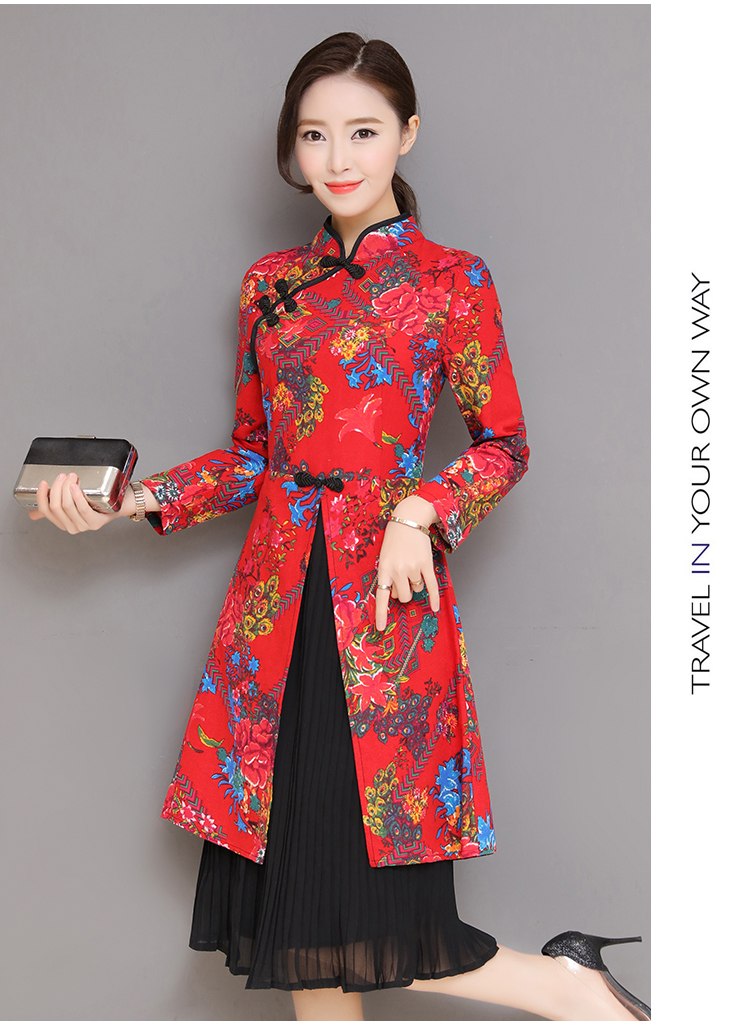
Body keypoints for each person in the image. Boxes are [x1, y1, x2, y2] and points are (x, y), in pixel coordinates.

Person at [29, 31, 650, 1023]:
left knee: (355, 910)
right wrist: (130, 502)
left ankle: (563, 988)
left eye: (363, 130)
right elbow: (252, 456)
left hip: (383, 612)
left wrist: (420, 510)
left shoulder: (452, 280)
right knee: (301, 930)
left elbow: (505, 445)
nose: (338, 156)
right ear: (293, 145)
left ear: (408, 133)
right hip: (274, 611)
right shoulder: (270, 285)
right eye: (314, 134)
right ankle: (567, 982)